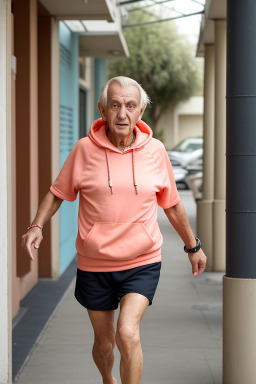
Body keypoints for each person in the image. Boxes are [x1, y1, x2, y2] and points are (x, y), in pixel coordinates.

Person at [21, 76, 207, 384]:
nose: (122, 114)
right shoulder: (83, 150)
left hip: (142, 261)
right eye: (115, 105)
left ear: (141, 111)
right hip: (95, 264)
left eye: (130, 106)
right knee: (104, 343)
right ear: (102, 109)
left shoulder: (156, 151)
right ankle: (108, 379)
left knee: (127, 332)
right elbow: (58, 192)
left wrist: (193, 247)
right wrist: (37, 225)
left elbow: (172, 204)